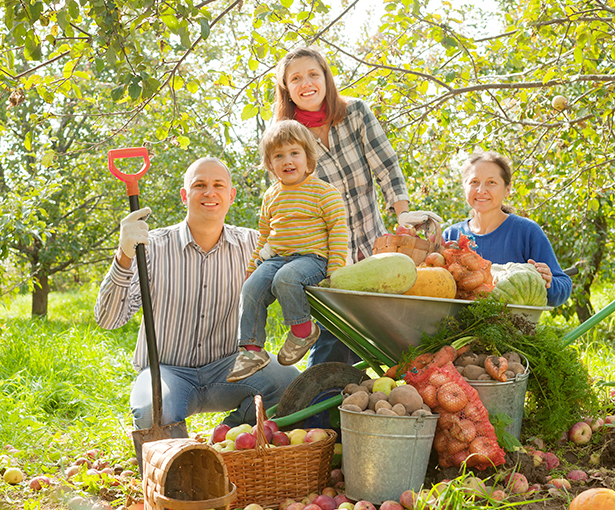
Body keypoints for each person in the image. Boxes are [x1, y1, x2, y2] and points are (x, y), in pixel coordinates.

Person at [94, 157, 300, 430]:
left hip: (231, 366)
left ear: (231, 195)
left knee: (290, 385)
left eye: (218, 185)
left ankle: (230, 436)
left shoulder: (254, 245)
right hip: (167, 371)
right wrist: (124, 254)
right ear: (184, 195)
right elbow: (108, 320)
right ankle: (180, 464)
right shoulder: (150, 248)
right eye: (199, 185)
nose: (209, 192)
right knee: (150, 411)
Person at [272, 46, 443, 365]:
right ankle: (320, 408)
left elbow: (387, 166)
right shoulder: (285, 138)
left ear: (325, 78)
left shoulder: (356, 113)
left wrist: (402, 211)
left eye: (313, 74)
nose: (306, 83)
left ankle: (406, 396)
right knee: (334, 342)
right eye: (296, 78)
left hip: (373, 248)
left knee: (393, 334)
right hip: (329, 259)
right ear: (287, 89)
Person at [227, 120, 348, 382]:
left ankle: (303, 330)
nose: (287, 160)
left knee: (286, 278)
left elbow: (338, 231)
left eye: (294, 153)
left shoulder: (324, 193)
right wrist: (252, 267)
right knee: (250, 288)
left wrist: (336, 268)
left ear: (308, 157)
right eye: (278, 156)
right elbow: (265, 237)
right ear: (270, 164)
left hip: (313, 259)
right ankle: (251, 350)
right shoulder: (271, 196)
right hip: (278, 258)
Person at [442, 151, 572, 307]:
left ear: (507, 189)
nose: (481, 190)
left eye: (491, 182)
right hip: (456, 328)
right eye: (474, 182)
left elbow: (564, 286)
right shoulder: (451, 236)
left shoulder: (526, 232)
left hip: (511, 328)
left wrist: (549, 283)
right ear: (464, 186)